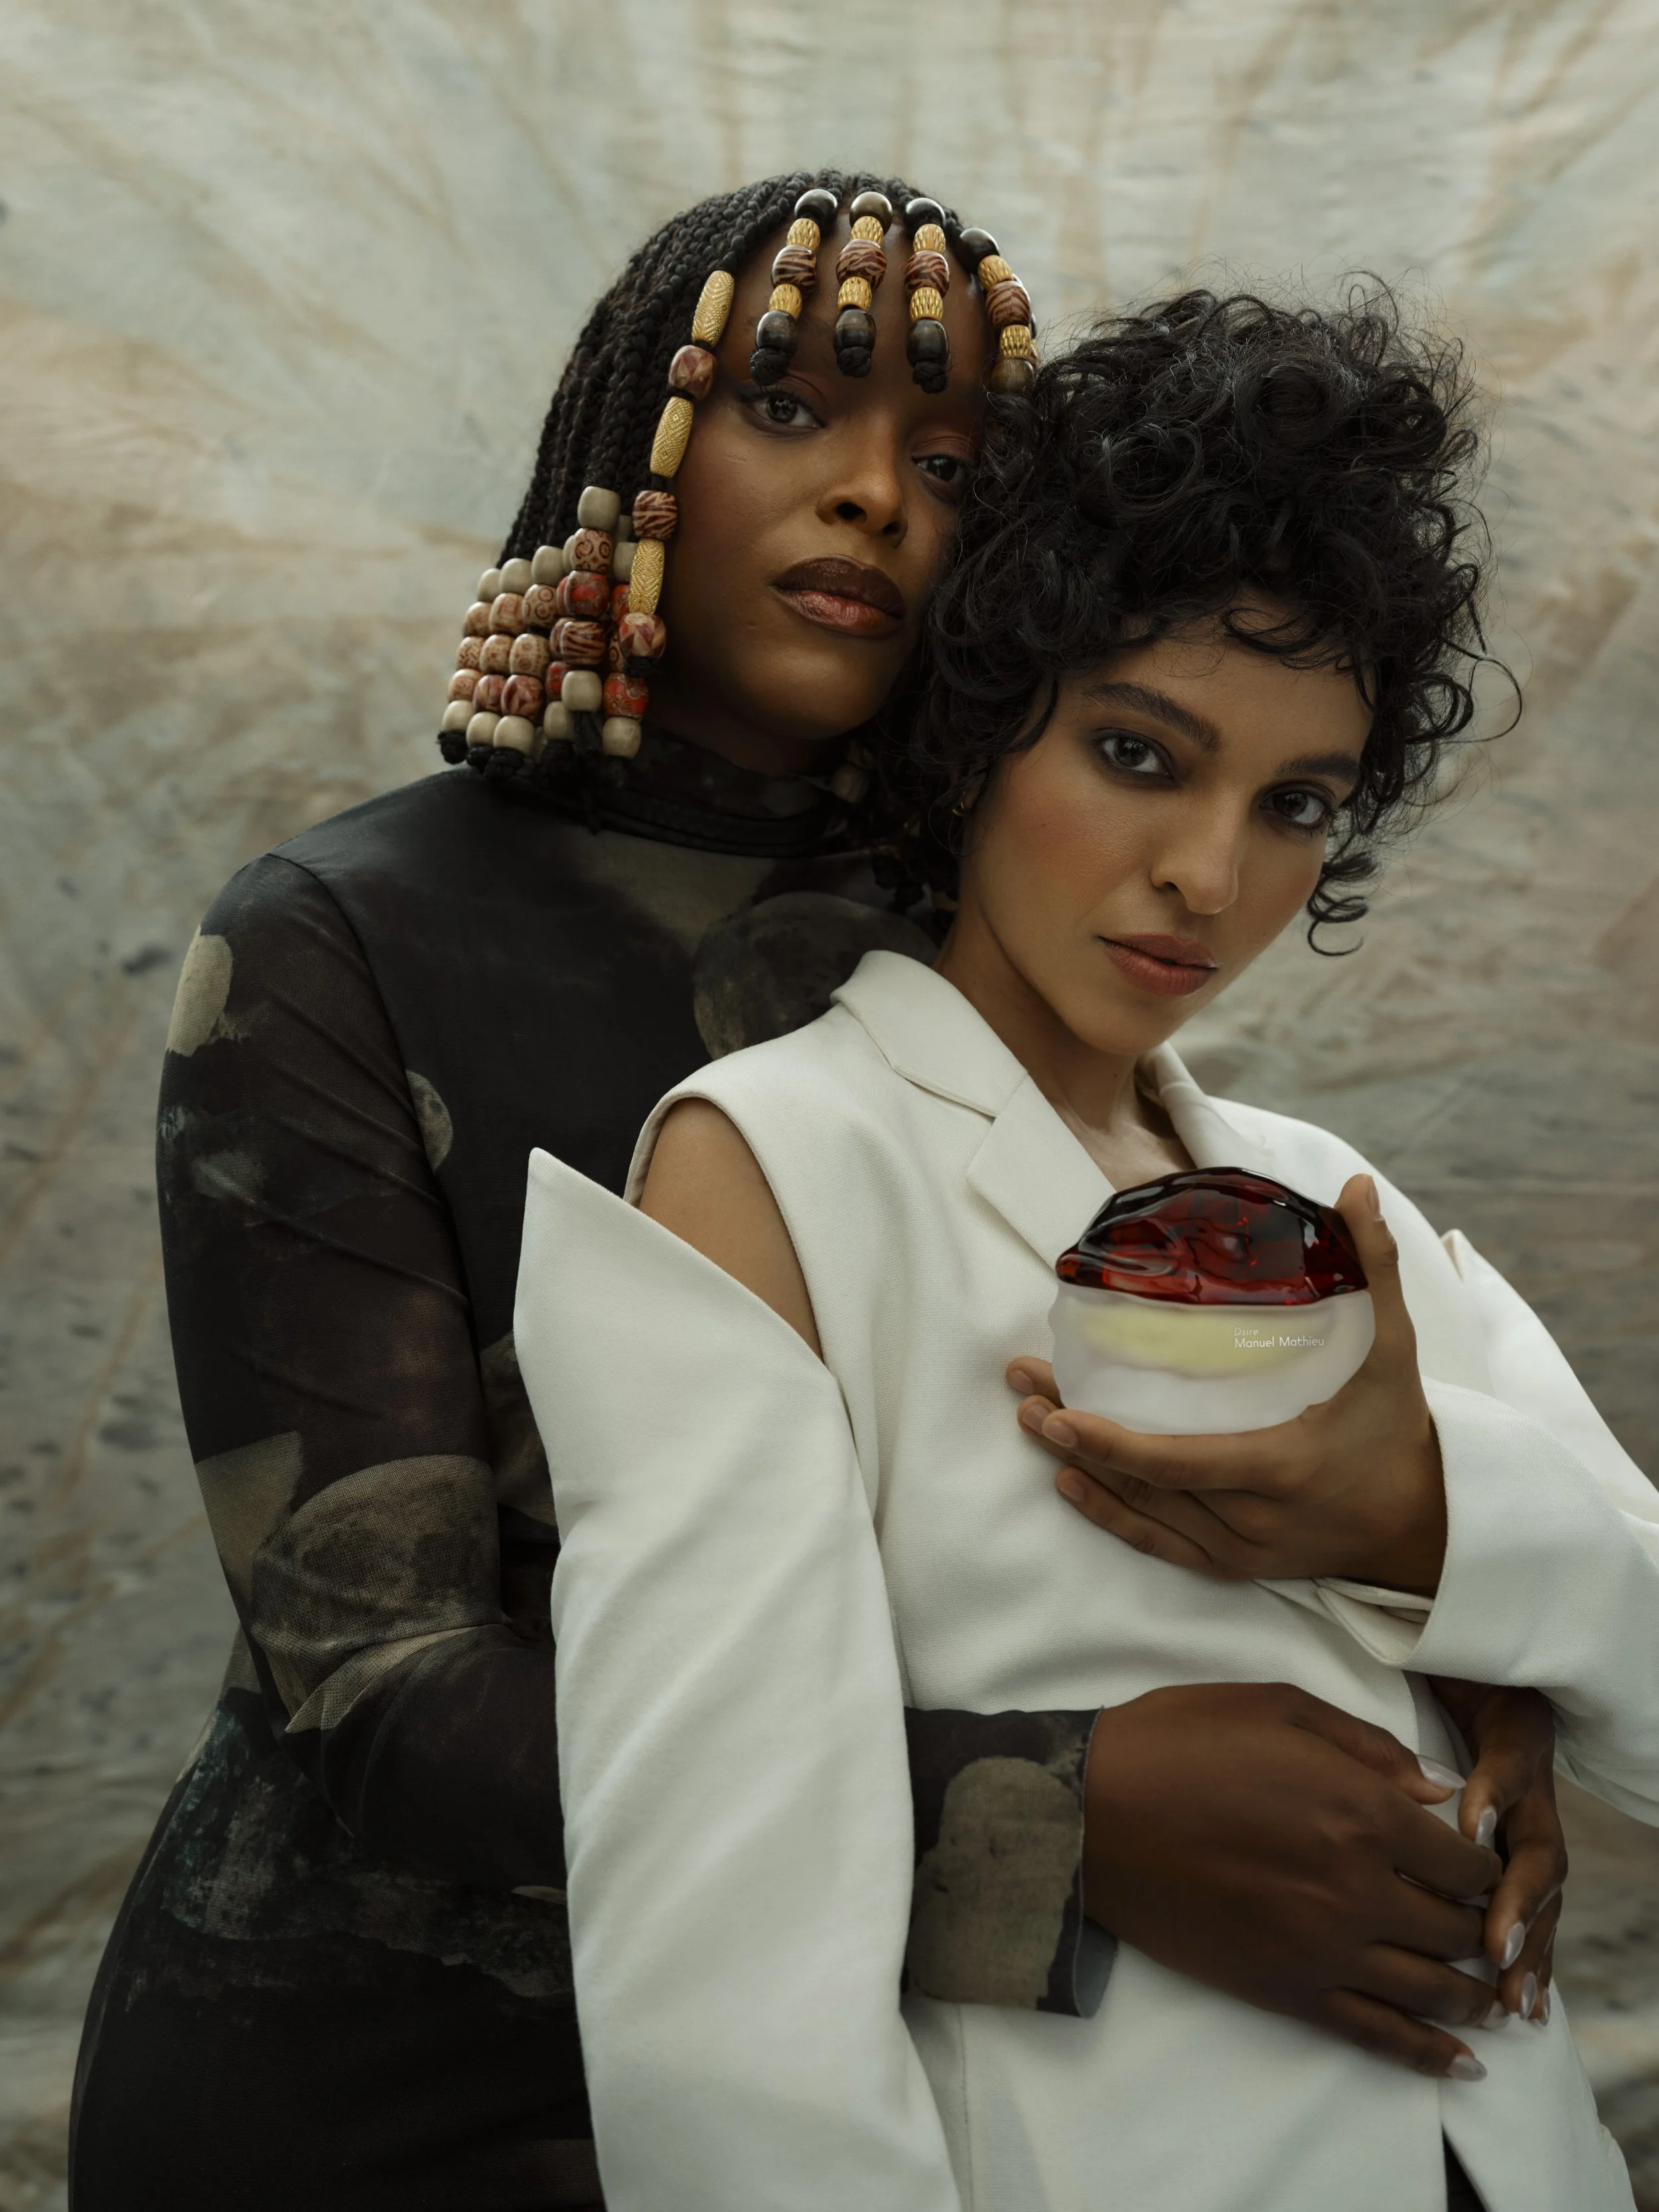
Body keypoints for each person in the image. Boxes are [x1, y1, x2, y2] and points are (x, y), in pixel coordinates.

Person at [70, 166, 1556, 2209]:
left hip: (930, 2079)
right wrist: (1070, 1819)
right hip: (396, 2068)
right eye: (787, 401)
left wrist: (1454, 1695)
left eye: (953, 456)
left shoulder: (1029, 922)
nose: (875, 491)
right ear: (628, 443)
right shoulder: (339, 937)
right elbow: (379, 1691)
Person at [518, 291, 1652, 2210]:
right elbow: (723, 2001)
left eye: (1293, 803)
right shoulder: (774, 1164)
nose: (1210, 875)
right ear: (976, 728)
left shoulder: (1322, 1191)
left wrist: (1421, 1520)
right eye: (1140, 754)